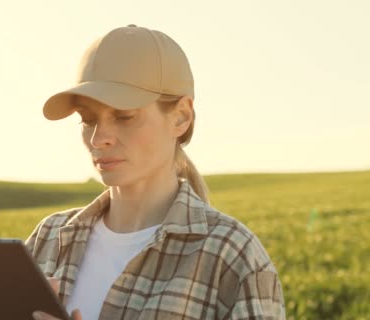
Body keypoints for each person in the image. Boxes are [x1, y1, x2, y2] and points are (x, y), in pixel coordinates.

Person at [25, 24, 285, 320]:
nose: (99, 139)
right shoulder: (48, 237)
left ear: (181, 117)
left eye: (124, 117)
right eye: (87, 120)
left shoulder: (231, 254)